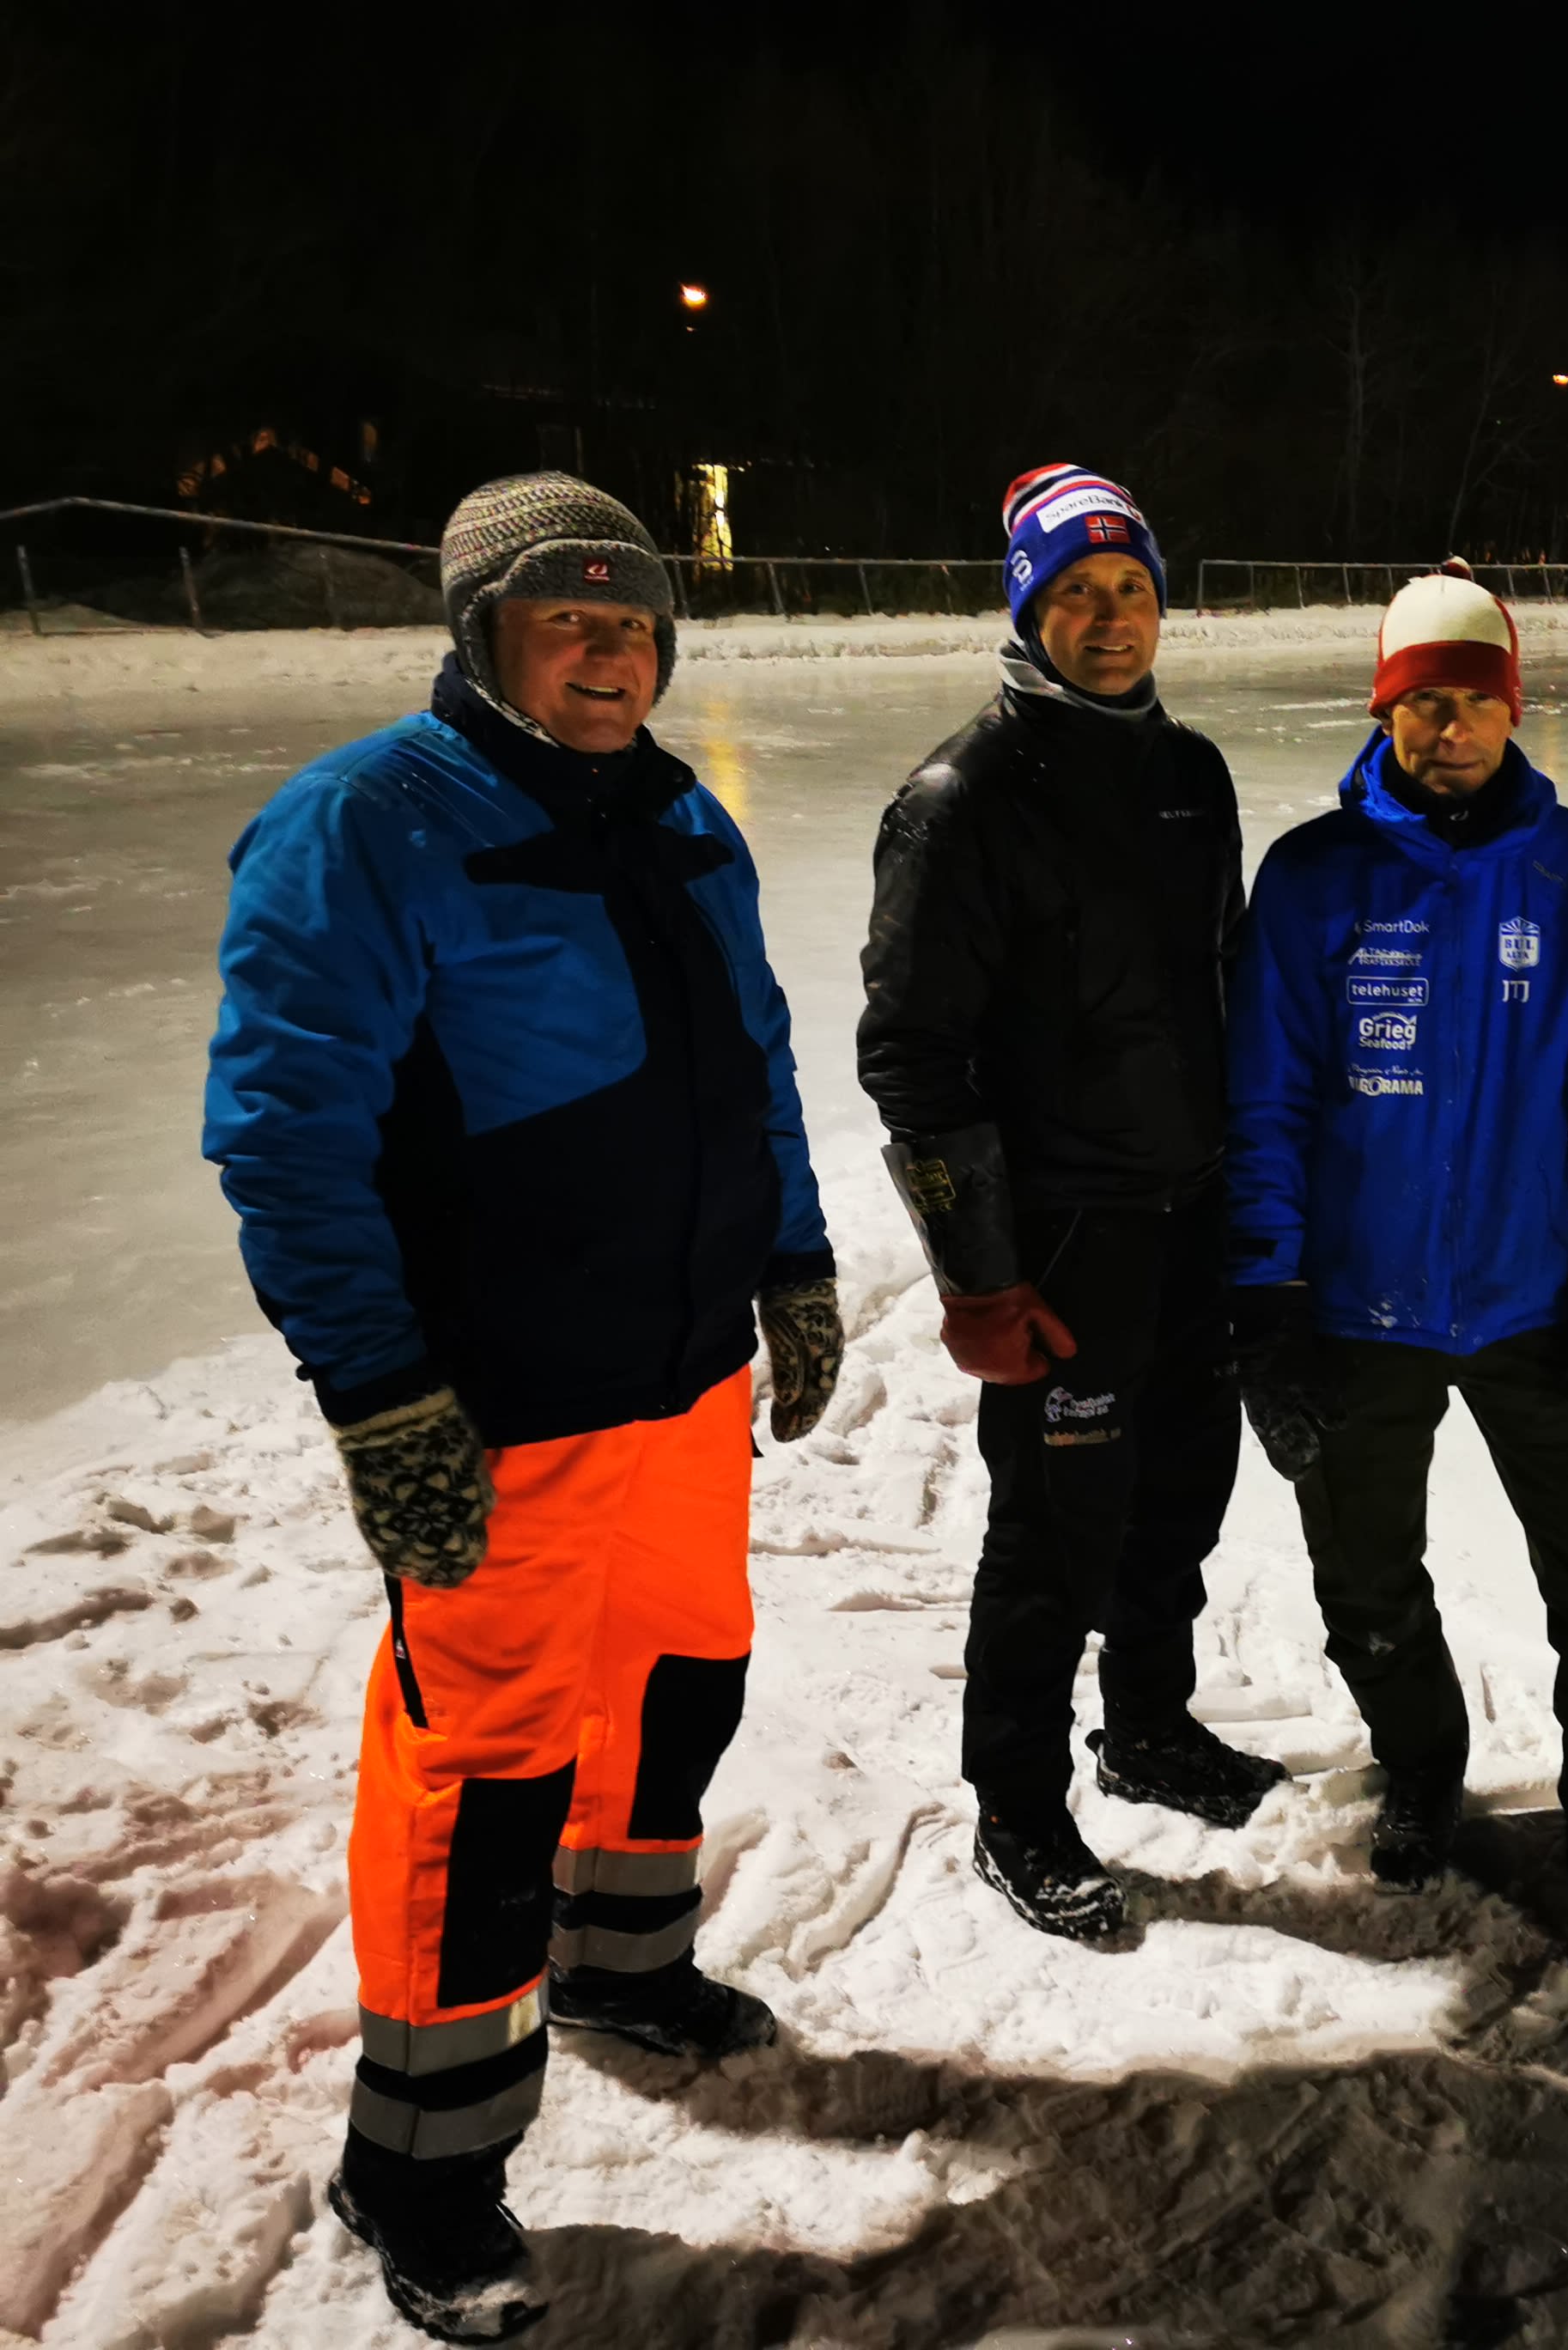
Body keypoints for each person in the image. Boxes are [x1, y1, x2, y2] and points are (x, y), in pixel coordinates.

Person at [204, 472, 841, 2341]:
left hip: (681, 1378)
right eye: (567, 620)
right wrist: (381, 1395)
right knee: (482, 1782)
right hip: (504, 1405)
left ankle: (623, 1963)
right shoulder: (365, 823)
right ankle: (421, 2162)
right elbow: (285, 1136)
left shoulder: (680, 815)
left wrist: (794, 1261)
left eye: (633, 622)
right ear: (481, 633)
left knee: (677, 1682)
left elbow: (757, 1062)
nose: (609, 653)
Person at [859, 463, 1285, 1948]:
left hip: (1189, 1215)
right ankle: (1019, 1808)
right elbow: (912, 1058)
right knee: (1051, 1538)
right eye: (1078, 593)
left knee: (1180, 1495)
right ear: (1027, 608)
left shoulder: (1191, 774)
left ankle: (1149, 1728)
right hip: (1063, 1238)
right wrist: (979, 1276)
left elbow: (1224, 991)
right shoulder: (962, 800)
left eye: (1132, 589)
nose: (1110, 618)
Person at [1226, 562, 1568, 1951]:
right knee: (1366, 1580)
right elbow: (1266, 1099)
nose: (1449, 727)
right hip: (1357, 1308)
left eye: (1474, 700)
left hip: (1533, 1299)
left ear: (1511, 708)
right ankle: (1422, 1766)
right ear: (1386, 712)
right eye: (1422, 703)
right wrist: (1269, 1298)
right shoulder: (1313, 877)